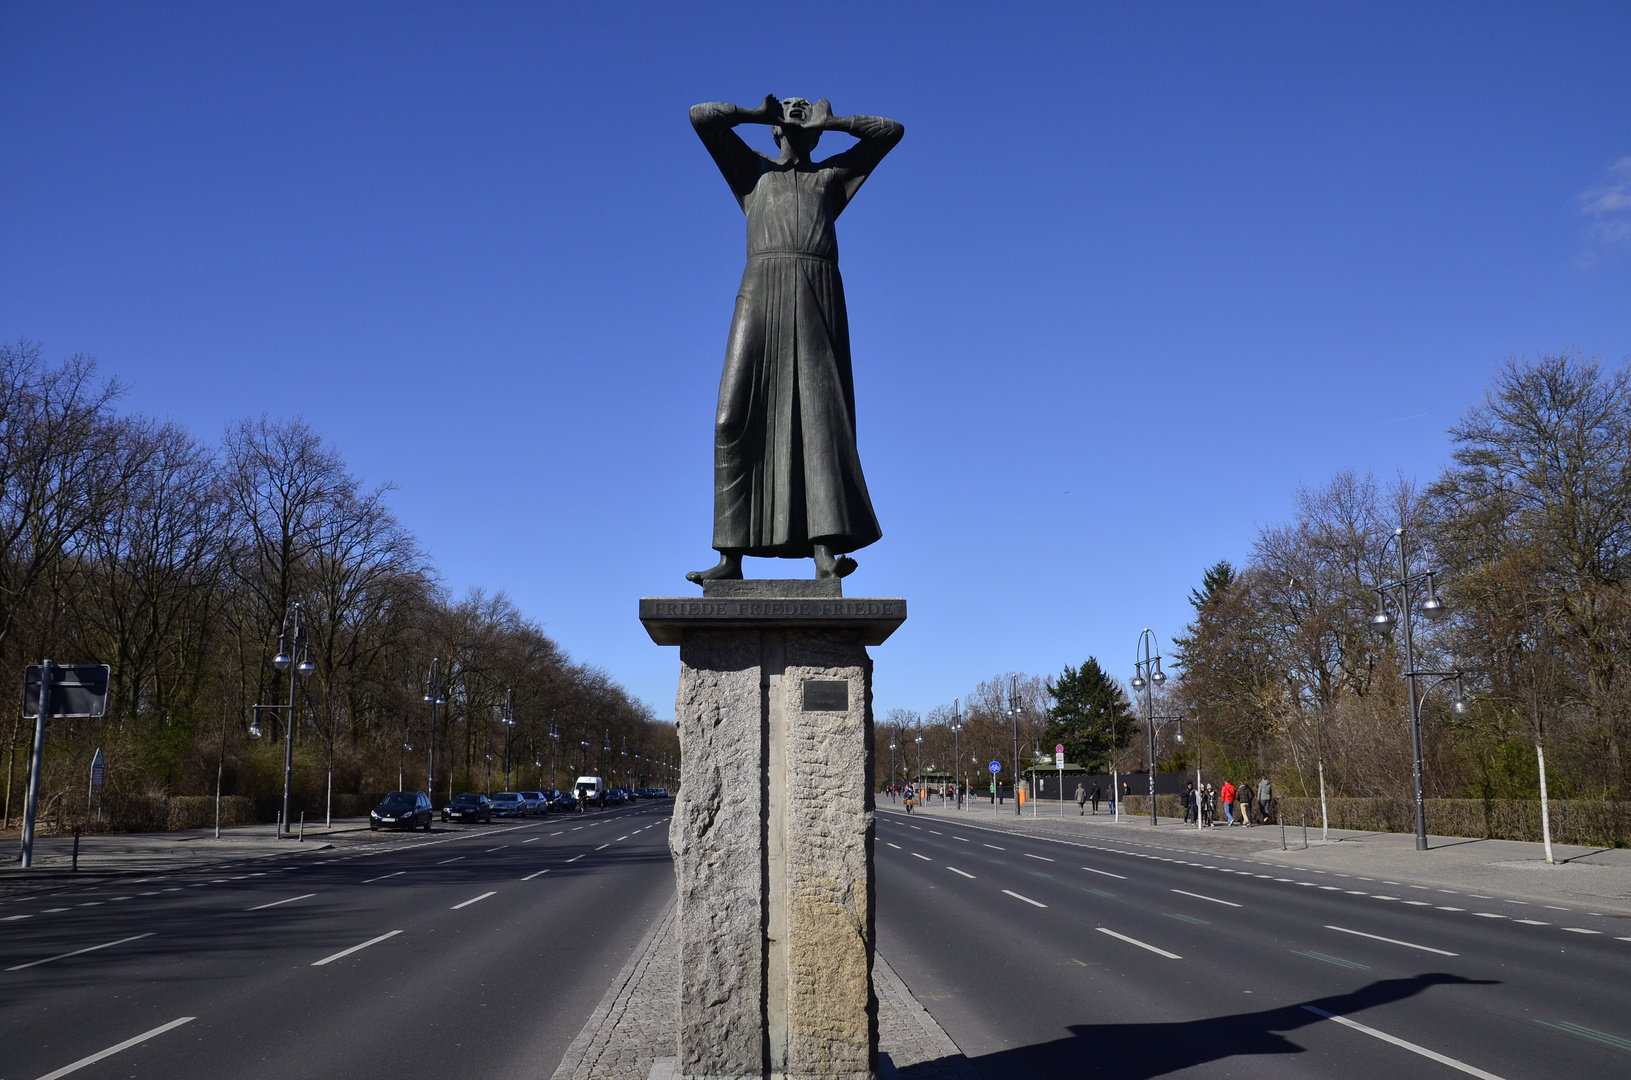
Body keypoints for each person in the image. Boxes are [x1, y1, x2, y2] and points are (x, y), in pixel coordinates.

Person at [686, 96, 905, 583]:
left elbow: (891, 132)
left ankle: (823, 552)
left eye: (805, 109)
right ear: (774, 128)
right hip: (760, 288)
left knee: (818, 419)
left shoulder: (829, 179)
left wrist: (838, 121)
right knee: (731, 417)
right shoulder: (752, 175)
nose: (796, 111)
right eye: (789, 108)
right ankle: (730, 557)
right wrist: (757, 113)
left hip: (814, 293)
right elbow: (701, 117)